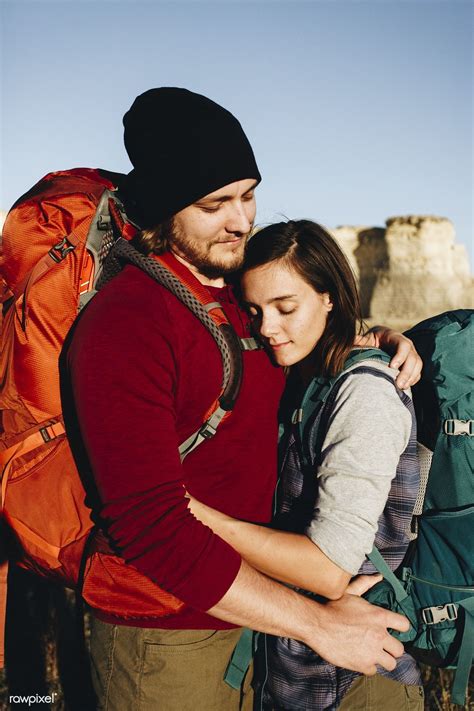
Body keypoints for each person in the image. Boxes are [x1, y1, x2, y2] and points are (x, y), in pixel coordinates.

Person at [66, 88, 421, 710]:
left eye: (248, 195)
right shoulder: (127, 325)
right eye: (215, 203)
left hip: (258, 619)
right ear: (164, 204)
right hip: (164, 636)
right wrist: (317, 625)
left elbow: (303, 338)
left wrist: (374, 339)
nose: (241, 220)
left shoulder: (240, 294)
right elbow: (149, 527)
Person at [187, 219, 424, 710]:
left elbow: (329, 571)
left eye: (285, 307)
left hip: (364, 674)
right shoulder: (308, 375)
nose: (266, 327)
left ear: (330, 296)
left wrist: (188, 514)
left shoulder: (363, 393)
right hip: (305, 666)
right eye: (254, 310)